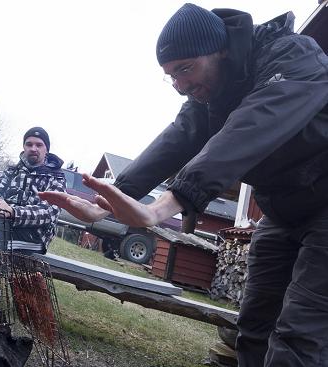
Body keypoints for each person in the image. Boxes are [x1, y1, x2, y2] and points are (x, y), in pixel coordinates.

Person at [40, 3, 328, 366]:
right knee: (253, 326)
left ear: (221, 49)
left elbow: (253, 125)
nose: (179, 86)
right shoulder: (212, 91)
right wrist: (107, 202)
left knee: (301, 334)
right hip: (281, 211)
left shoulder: (291, 56)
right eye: (171, 76)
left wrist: (163, 207)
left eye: (185, 70)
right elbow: (179, 137)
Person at [0, 127, 66, 255]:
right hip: (2, 226)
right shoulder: (12, 171)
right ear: (24, 147)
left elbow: (49, 213)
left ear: (46, 149)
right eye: (29, 144)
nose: (33, 148)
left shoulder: (56, 177)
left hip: (35, 236)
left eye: (39, 145)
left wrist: (13, 212)